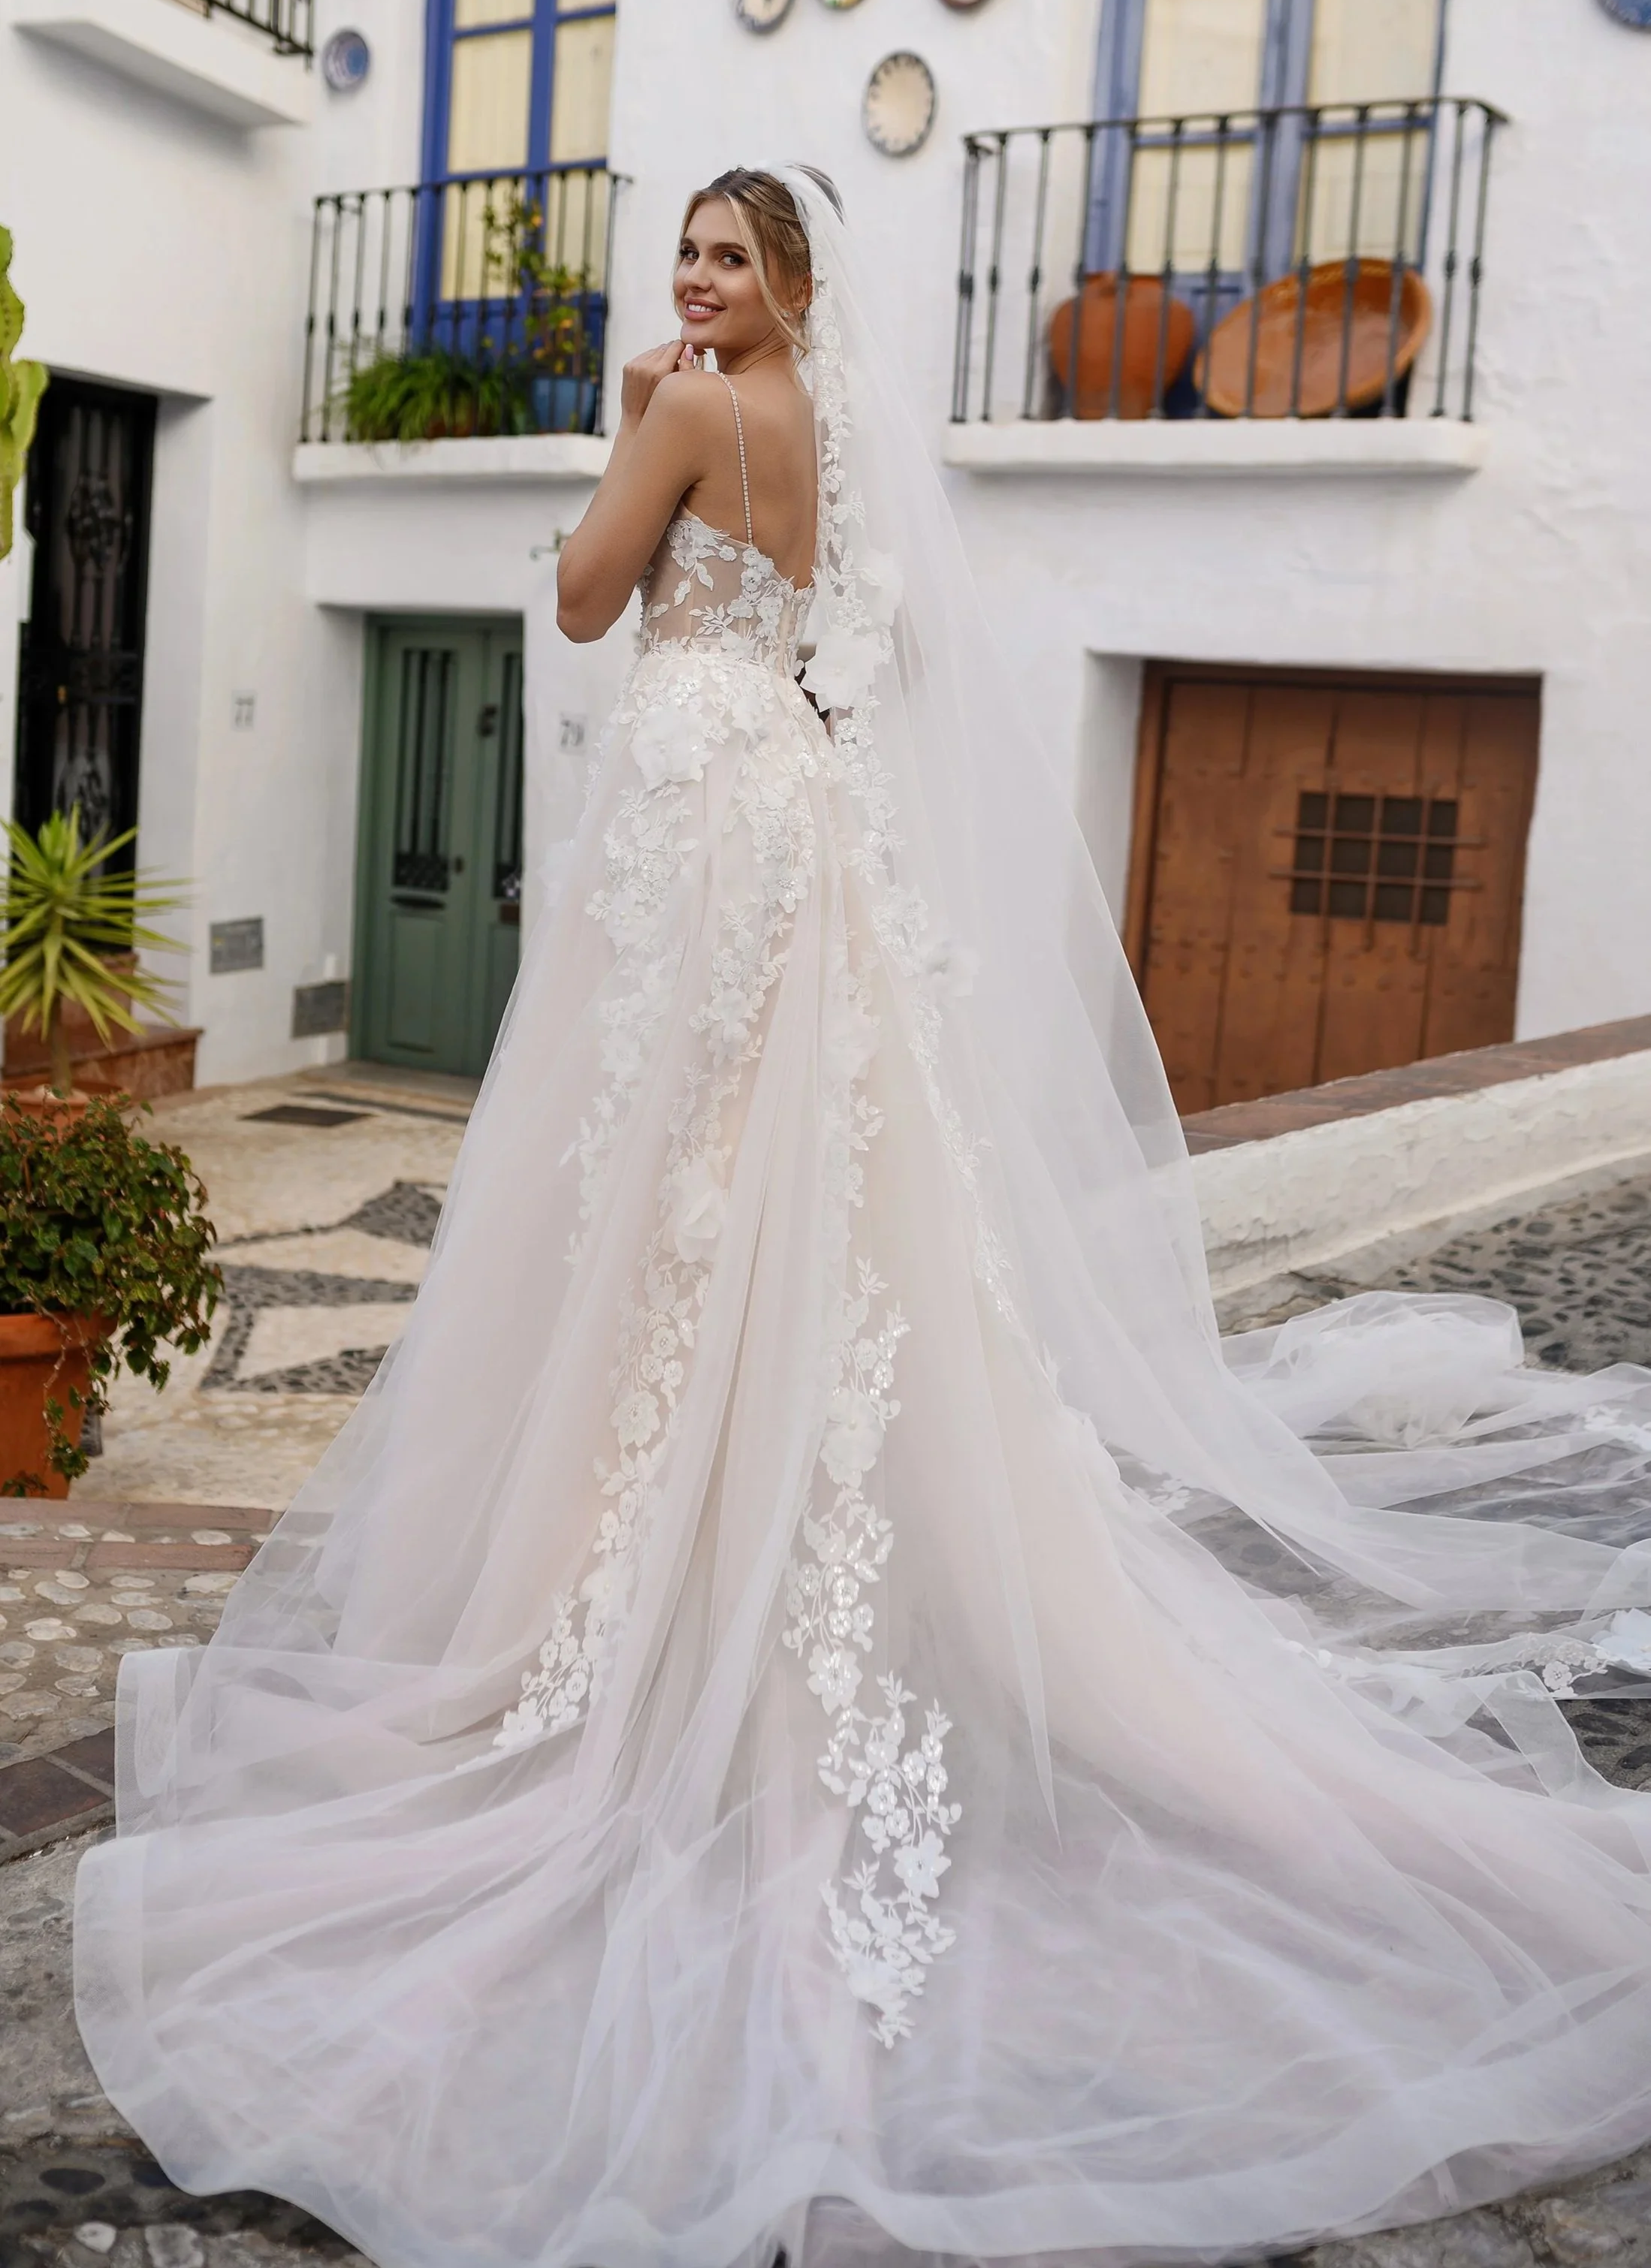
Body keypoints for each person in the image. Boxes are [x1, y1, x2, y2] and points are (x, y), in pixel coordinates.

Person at [76, 166, 1651, 2268]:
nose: (698, 283)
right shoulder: (829, 421)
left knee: (666, 1216)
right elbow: (843, 641)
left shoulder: (688, 409)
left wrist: (621, 425)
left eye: (729, 260)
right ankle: (720, 1565)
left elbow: (576, 601)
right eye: (688, 260)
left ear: (787, 283)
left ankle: (635, 1622)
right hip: (792, 846)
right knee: (785, 1212)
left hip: (705, 850)